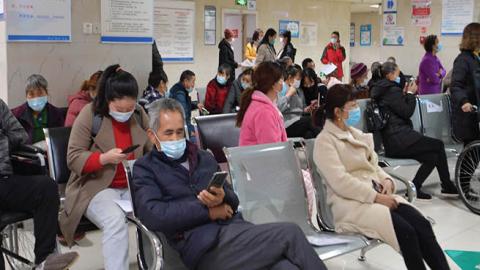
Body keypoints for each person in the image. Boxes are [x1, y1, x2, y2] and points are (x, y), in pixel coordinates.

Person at [132, 98, 328, 270]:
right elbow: (154, 214)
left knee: (285, 266)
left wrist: (223, 197)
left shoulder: (203, 159)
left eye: (179, 132)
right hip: (205, 249)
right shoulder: (146, 168)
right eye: (168, 133)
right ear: (152, 135)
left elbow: (233, 199)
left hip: (235, 232)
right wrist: (207, 211)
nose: (175, 139)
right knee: (290, 233)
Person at [314, 84, 451, 270]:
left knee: (421, 224)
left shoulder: (356, 135)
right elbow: (340, 182)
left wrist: (387, 180)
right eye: (352, 106)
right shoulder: (325, 142)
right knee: (406, 232)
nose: (356, 110)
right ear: (338, 111)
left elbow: (374, 167)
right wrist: (376, 197)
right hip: (350, 205)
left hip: (376, 197)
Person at [59, 64, 151, 270]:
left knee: (160, 210)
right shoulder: (90, 115)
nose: (126, 113)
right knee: (115, 221)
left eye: (130, 107)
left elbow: (151, 148)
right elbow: (73, 157)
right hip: (96, 187)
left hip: (133, 185)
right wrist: (103, 159)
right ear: (108, 101)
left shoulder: (138, 114)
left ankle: (156, 263)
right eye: (120, 110)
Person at [0, 99, 79, 270]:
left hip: (4, 181)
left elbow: (19, 134)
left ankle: (45, 259)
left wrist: (3, 140)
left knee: (46, 187)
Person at [370, 62, 458, 200]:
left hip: (397, 138)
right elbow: (406, 112)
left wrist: (405, 94)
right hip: (399, 139)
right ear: (390, 75)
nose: (401, 77)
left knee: (432, 157)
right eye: (398, 74)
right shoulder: (391, 91)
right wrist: (410, 94)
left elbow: (398, 109)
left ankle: (416, 186)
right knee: (438, 145)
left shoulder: (385, 89)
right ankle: (446, 185)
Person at [237, 62, 287, 146]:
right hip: (258, 158)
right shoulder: (264, 111)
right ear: (273, 84)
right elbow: (270, 149)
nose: (283, 82)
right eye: (281, 79)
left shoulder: (262, 105)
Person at [11, 74, 65, 146]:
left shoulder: (56, 114)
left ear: (46, 93)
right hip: (26, 155)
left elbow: (60, 139)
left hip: (49, 154)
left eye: (40, 93)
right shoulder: (16, 115)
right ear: (26, 96)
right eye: (31, 94)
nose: (36, 97)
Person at [451, 22, 480, 145]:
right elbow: (456, 85)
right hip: (469, 114)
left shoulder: (476, 57)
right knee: (470, 157)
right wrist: (464, 101)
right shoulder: (463, 59)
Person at [278, 66, 319, 139]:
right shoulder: (283, 88)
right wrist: (288, 95)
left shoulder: (299, 90)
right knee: (310, 120)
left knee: (309, 134)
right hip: (287, 123)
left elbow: (301, 108)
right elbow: (278, 108)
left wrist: (307, 109)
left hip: (299, 120)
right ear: (290, 77)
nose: (299, 81)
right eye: (298, 79)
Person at [169, 70, 203, 139]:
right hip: (181, 128)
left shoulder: (179, 89)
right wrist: (190, 131)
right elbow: (183, 114)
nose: (193, 85)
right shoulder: (179, 94)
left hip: (179, 126)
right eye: (192, 82)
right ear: (185, 81)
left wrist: (196, 105)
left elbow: (186, 104)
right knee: (200, 137)